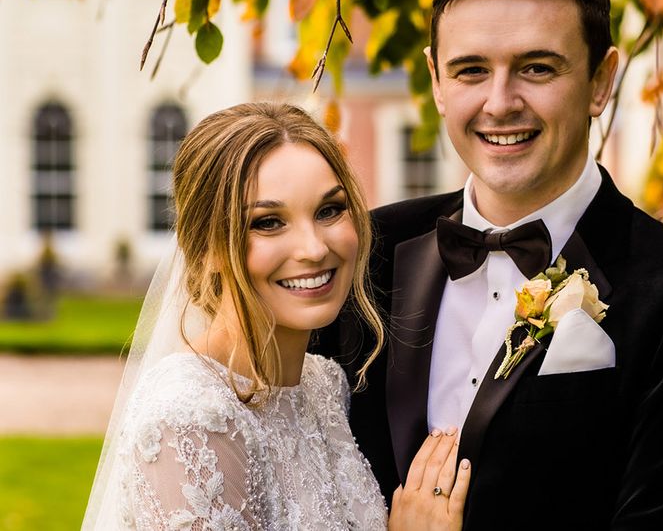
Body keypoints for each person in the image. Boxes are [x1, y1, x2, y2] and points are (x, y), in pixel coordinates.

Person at [318, 0, 663, 529]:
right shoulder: (364, 254)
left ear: (601, 82)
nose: (500, 103)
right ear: (436, 81)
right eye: (471, 70)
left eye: (537, 68)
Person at [82, 102, 470, 530]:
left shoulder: (325, 387)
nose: (314, 248)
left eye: (329, 210)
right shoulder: (191, 419)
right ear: (205, 249)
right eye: (268, 222)